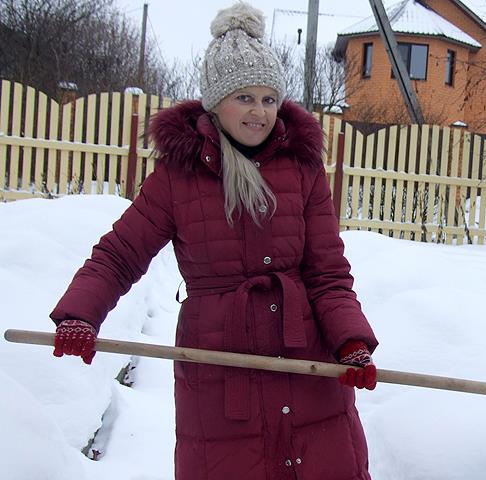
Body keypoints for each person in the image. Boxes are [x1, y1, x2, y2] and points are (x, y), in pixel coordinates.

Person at [48, 2, 378, 478]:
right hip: (220, 363)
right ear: (215, 102)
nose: (259, 112)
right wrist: (80, 314)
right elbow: (121, 254)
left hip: (304, 356)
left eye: (268, 98)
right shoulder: (178, 176)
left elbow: (327, 274)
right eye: (244, 97)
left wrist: (352, 342)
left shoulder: (303, 170)